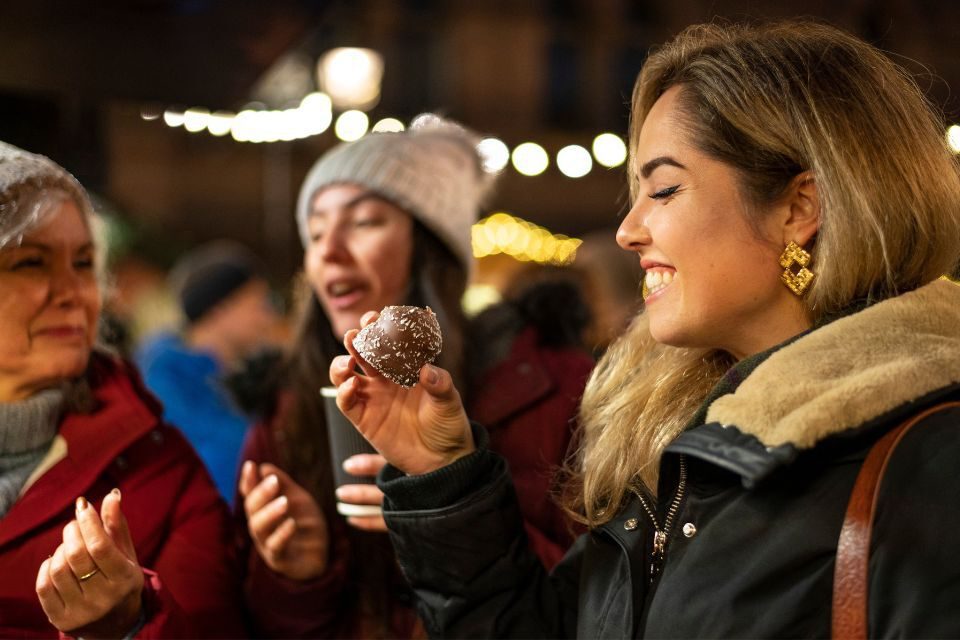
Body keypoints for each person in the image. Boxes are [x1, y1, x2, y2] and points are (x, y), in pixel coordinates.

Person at [329, 20, 960, 638]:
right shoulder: (679, 437)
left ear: (799, 208)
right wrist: (444, 473)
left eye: (662, 189)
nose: (628, 229)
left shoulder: (932, 464)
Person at [236, 115, 593, 637]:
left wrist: (442, 515)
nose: (328, 250)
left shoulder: (554, 387)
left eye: (364, 222)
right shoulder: (288, 405)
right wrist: (298, 575)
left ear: (429, 251)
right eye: (314, 231)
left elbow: (593, 599)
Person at [0, 141, 247, 637]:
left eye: (85, 263)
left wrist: (131, 623)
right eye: (32, 263)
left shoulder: (161, 465)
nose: (75, 293)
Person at [136, 241, 278, 505]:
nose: (267, 317)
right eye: (257, 304)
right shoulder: (163, 387)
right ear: (220, 309)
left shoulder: (226, 382)